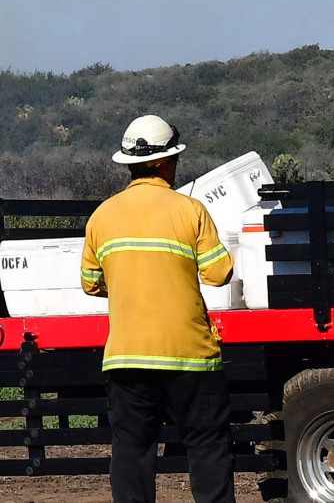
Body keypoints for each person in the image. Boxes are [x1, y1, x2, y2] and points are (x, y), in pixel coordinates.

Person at [80, 114, 234, 503]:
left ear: (129, 165)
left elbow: (90, 282)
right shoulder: (190, 211)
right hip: (190, 357)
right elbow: (219, 274)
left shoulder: (102, 216)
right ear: (168, 163)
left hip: (126, 358)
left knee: (132, 450)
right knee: (207, 447)